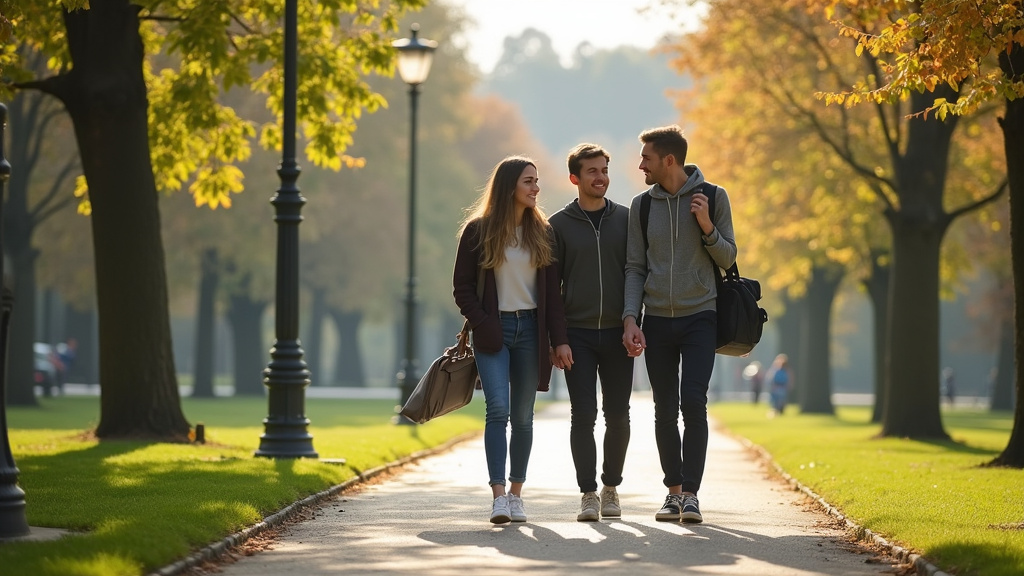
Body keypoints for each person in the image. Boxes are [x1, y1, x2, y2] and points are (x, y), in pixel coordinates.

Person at [621, 125, 736, 524]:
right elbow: (635, 266)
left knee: (694, 402)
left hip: (700, 315)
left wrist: (706, 226)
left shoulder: (714, 197)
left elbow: (728, 258)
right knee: (664, 408)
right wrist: (631, 318)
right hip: (657, 320)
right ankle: (673, 494)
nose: (641, 166)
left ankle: (692, 494)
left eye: (646, 158)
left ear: (669, 160)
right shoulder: (642, 206)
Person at [453, 155, 573, 524]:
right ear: (509, 187)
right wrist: (485, 323)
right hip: (495, 332)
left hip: (531, 334)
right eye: (529, 181)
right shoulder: (478, 231)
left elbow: (553, 295)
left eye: (536, 181)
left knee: (522, 417)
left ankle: (517, 495)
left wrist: (559, 340)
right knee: (498, 411)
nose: (536, 188)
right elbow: (462, 288)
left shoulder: (543, 232)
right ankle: (498, 496)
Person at [549, 143, 633, 522]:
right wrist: (558, 338)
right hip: (577, 335)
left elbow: (637, 274)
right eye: (592, 172)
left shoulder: (627, 220)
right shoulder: (559, 225)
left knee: (618, 415)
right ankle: (587, 494)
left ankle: (611, 488)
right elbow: (551, 289)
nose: (601, 177)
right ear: (575, 179)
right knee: (582, 415)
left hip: (618, 332)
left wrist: (635, 321)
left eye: (604, 170)